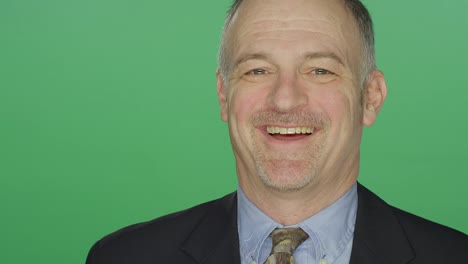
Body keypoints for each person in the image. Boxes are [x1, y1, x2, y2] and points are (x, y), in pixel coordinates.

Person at [86, 0, 468, 263]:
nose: (285, 100)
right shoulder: (123, 257)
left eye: (320, 70)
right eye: (257, 70)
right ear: (224, 95)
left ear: (371, 97)